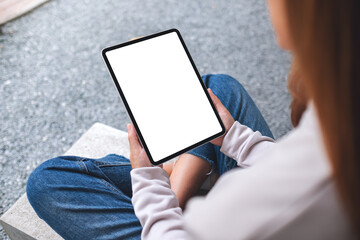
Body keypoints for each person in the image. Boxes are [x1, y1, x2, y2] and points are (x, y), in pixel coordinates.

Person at [26, 0, 359, 239]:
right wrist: (235, 138)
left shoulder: (263, 204)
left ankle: (178, 183)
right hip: (237, 193)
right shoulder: (339, 120)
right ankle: (194, 172)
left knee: (47, 181)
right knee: (219, 88)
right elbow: (300, 163)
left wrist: (149, 180)